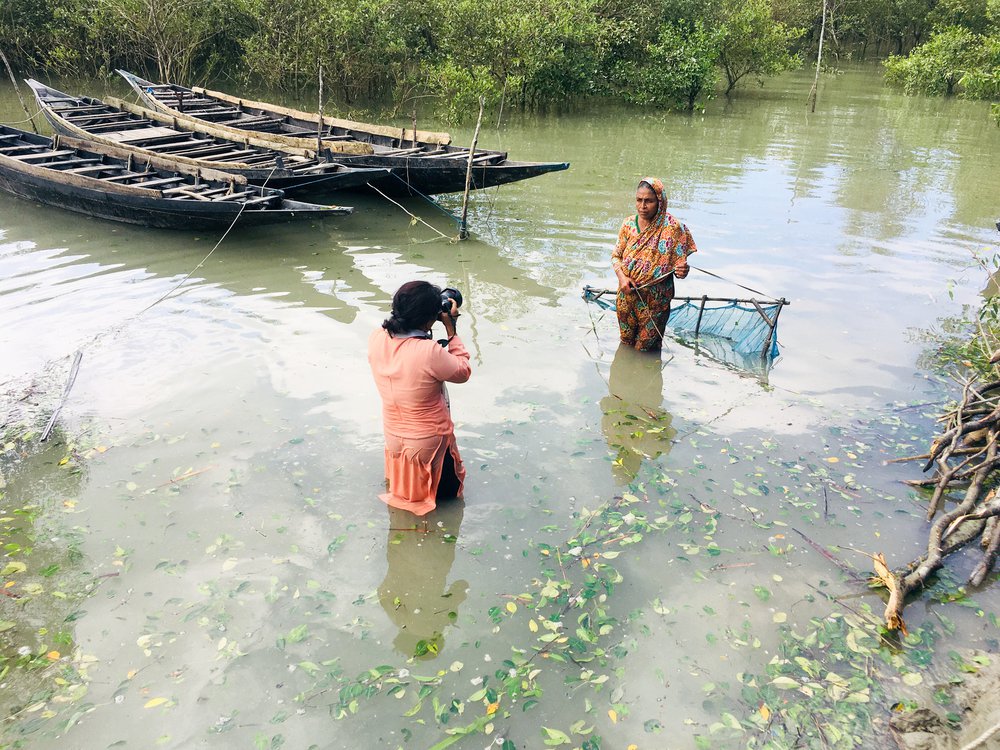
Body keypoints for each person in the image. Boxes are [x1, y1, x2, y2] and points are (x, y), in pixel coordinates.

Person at [368, 280, 471, 516]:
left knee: (407, 503)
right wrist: (451, 329)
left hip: (394, 436)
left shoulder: (376, 338)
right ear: (430, 317)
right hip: (429, 444)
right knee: (448, 505)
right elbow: (462, 371)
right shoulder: (428, 351)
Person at [612, 177, 697, 351]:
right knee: (625, 344)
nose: (642, 206)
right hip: (627, 296)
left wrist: (682, 271)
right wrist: (622, 278)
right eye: (639, 200)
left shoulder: (673, 228)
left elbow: (680, 268)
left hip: (656, 300)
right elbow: (616, 257)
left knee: (645, 350)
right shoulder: (628, 224)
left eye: (648, 201)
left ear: (660, 202)